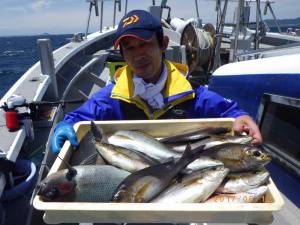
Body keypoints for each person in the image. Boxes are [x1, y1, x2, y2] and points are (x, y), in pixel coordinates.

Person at [51, 9, 262, 154]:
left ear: (163, 44)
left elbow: (227, 111)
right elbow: (79, 117)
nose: (138, 55)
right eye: (130, 48)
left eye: (145, 44)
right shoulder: (110, 98)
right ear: (122, 54)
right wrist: (66, 125)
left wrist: (241, 117)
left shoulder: (191, 94)